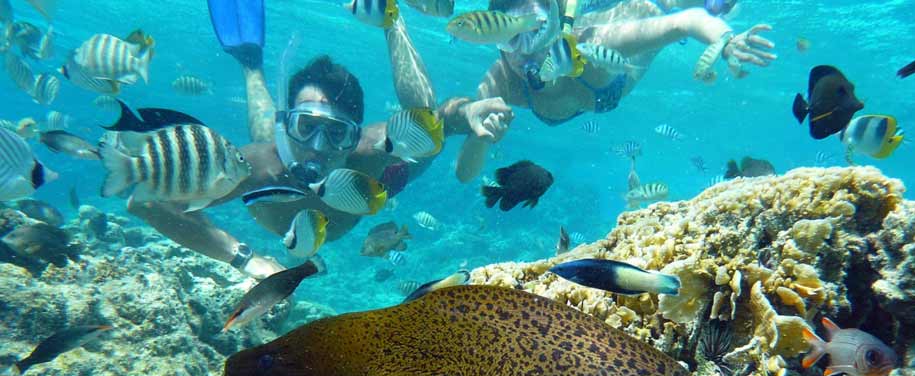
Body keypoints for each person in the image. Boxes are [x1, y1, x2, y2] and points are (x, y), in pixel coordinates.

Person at [127, 0, 513, 278]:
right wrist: (242, 257)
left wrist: (466, 113)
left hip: (380, 183)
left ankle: (390, 17)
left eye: (337, 133)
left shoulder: (372, 150)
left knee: (423, 126)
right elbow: (146, 202)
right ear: (288, 123)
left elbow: (442, 117)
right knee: (265, 138)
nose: (317, 146)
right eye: (305, 126)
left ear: (354, 136)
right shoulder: (254, 170)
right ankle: (251, 63)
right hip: (278, 158)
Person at [454, 0, 775, 182]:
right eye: (512, 38)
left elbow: (687, 22)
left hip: (641, 17)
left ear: (555, 29)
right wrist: (480, 135)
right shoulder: (502, 81)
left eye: (536, 32)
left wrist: (728, 41)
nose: (527, 53)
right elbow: (465, 175)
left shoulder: (591, 47)